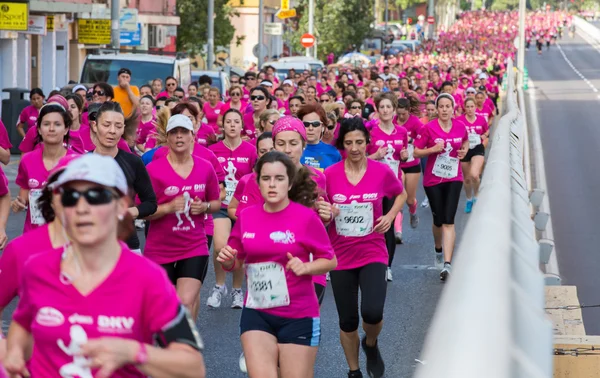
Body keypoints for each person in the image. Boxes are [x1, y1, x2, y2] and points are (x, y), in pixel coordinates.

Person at [3, 154, 207, 378]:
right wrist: (13, 351)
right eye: (70, 197)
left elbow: (192, 367)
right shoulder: (37, 269)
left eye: (95, 195)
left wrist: (133, 352)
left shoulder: (148, 278)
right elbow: (22, 323)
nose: (81, 207)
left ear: (121, 205)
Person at [217, 151, 337, 378]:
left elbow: (330, 259)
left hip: (299, 313)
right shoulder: (247, 217)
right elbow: (235, 259)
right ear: (258, 181)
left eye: (279, 178)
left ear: (290, 183)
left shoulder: (306, 218)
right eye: (266, 178)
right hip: (257, 311)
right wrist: (229, 260)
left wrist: (307, 268)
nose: (272, 184)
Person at [326, 117, 406, 378]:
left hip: (373, 251)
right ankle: (354, 371)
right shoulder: (330, 175)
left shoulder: (381, 171)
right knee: (347, 321)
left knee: (372, 312)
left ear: (367, 143)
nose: (355, 147)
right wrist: (328, 212)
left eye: (359, 142)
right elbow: (320, 211)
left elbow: (401, 194)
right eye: (349, 143)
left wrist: (390, 215)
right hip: (340, 255)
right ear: (342, 145)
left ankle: (370, 343)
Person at [0, 154, 78, 355]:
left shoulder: (115, 254)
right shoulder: (21, 251)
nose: (78, 202)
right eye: (67, 191)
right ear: (51, 196)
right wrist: (5, 352)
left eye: (92, 193)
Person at [145, 114, 221, 320]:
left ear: (192, 137)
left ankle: (187, 346)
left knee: (185, 301)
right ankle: (172, 345)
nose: (179, 137)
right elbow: (143, 211)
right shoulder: (153, 170)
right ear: (167, 138)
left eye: (184, 132)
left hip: (193, 245)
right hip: (159, 249)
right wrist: (168, 208)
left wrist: (204, 207)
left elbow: (216, 203)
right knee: (165, 305)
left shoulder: (205, 167)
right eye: (174, 133)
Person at [414, 93, 469, 281]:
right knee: (438, 220)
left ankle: (447, 263)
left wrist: (464, 150)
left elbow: (465, 141)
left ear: (453, 108)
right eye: (441, 106)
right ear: (436, 109)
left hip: (454, 177)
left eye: (448, 106)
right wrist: (432, 150)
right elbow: (416, 151)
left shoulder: (460, 127)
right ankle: (438, 249)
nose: (445, 109)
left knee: (449, 220)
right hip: (433, 180)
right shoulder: (428, 128)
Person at [207, 109, 258, 309]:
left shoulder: (250, 150)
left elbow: (256, 177)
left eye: (237, 121)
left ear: (241, 125)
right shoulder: (214, 150)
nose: (233, 125)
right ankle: (219, 286)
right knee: (221, 246)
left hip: (243, 206)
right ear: (223, 125)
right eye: (229, 121)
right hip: (221, 205)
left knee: (239, 249)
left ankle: (237, 289)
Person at [90, 101, 157, 253]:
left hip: (127, 247)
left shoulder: (133, 162)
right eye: (106, 125)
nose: (112, 131)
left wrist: (131, 212)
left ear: (123, 130)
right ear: (95, 126)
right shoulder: (81, 163)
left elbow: (151, 202)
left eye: (118, 126)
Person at [367, 93, 409, 281]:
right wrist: (375, 156)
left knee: (388, 225)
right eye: (381, 107)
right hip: (373, 185)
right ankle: (371, 261)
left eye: (388, 107)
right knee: (372, 225)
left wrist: (405, 156)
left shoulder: (402, 132)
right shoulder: (371, 132)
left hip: (393, 185)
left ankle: (387, 266)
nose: (385, 110)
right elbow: (360, 160)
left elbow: (403, 157)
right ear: (377, 109)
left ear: (394, 110)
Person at [12, 104, 73, 233]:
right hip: (33, 234)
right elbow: (23, 197)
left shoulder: (77, 162)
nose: (51, 129)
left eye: (57, 124)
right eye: (46, 124)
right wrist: (18, 203)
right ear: (39, 129)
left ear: (66, 129)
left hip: (66, 236)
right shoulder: (27, 160)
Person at [456, 97, 489, 213]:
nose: (470, 109)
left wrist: (485, 136)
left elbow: (486, 130)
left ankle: (476, 197)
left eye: (472, 106)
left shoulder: (481, 119)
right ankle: (469, 199)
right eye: (468, 107)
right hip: (464, 149)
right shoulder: (459, 120)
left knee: (474, 174)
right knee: (467, 179)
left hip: (477, 148)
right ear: (464, 108)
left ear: (475, 107)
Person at [298, 103, 342, 172]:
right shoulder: (292, 151)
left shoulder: (334, 153)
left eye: (315, 124)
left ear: (323, 127)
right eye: (306, 124)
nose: (310, 128)